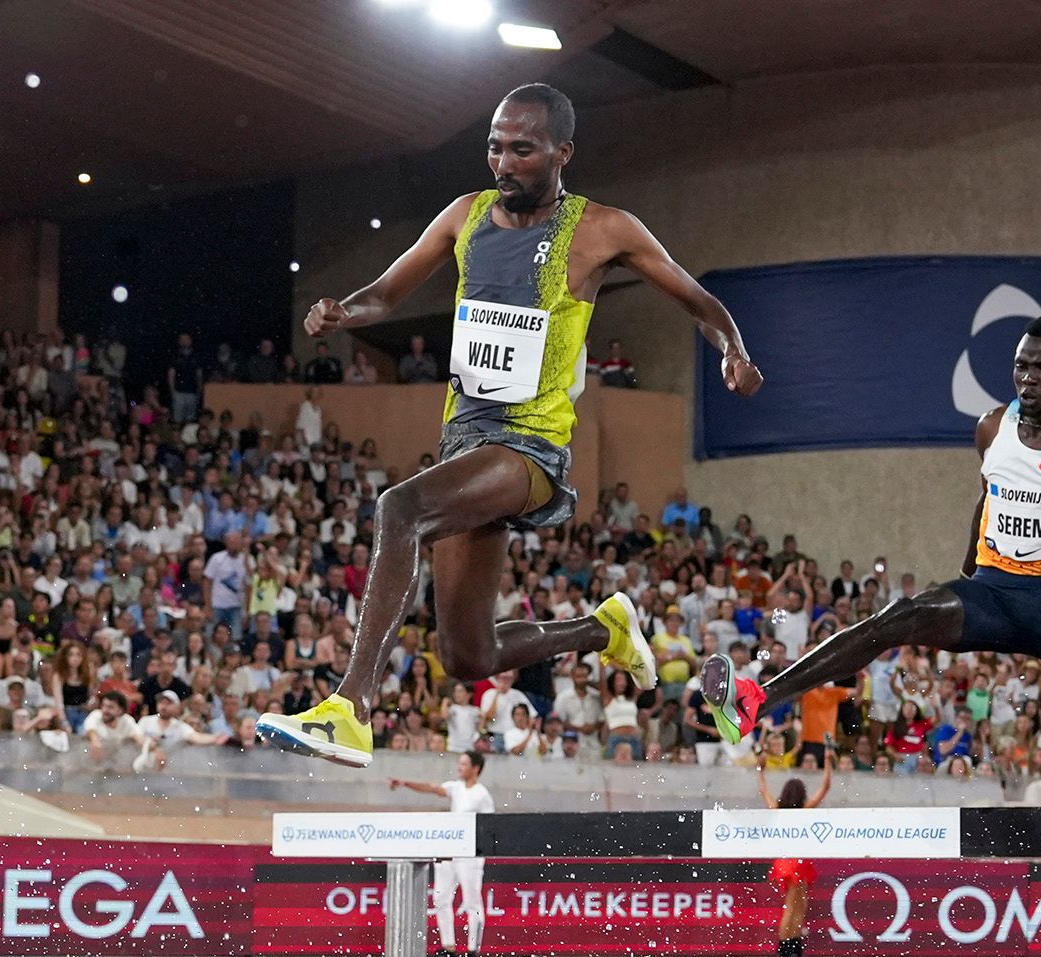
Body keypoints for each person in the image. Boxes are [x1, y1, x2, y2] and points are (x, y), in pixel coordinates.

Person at [258, 82, 763, 766]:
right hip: (464, 444)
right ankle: (603, 627)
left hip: (529, 448)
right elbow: (386, 292)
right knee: (469, 655)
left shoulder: (602, 229)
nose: (504, 162)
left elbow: (699, 300)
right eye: (495, 147)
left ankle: (350, 708)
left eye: (522, 149)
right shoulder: (465, 216)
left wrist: (733, 348)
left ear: (563, 151)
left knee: (398, 507)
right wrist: (344, 310)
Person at [699, 314, 1041, 747]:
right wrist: (966, 575)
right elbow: (990, 496)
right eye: (1021, 366)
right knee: (898, 616)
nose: (1028, 380)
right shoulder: (992, 427)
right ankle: (755, 701)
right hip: (993, 595)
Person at [390, 750, 494, 957]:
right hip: (451, 852)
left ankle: (473, 953)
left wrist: (478, 851)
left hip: (471, 855)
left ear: (475, 768)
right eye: (460, 763)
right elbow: (432, 787)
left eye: (464, 764)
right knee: (440, 898)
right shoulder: (456, 788)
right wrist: (405, 783)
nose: (460, 767)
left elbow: (489, 827)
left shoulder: (482, 794)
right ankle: (449, 949)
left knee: (472, 902)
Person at [758, 751, 833, 957]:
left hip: (784, 861)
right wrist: (827, 762)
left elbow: (763, 790)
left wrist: (760, 771)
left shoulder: (777, 810)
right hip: (798, 861)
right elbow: (825, 788)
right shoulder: (804, 811)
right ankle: (786, 947)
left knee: (795, 905)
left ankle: (791, 945)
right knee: (796, 906)